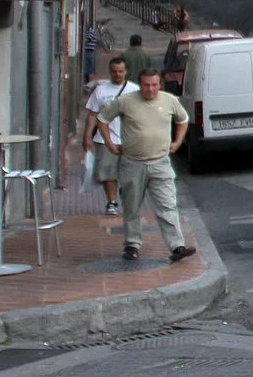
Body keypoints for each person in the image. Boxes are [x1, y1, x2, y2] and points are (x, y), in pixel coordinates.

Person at [104, 70, 195, 263]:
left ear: (160, 84)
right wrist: (110, 144)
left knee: (167, 204)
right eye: (146, 85)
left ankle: (177, 246)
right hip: (132, 163)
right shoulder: (125, 101)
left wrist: (178, 141)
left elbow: (183, 120)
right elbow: (103, 119)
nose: (151, 89)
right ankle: (132, 244)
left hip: (160, 162)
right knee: (132, 206)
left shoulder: (169, 100)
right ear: (140, 85)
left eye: (154, 85)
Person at [81, 55, 132, 215]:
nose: (117, 74)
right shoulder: (101, 90)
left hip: (130, 138)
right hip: (104, 139)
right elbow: (92, 114)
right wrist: (87, 136)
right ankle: (112, 201)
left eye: (120, 71)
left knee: (130, 171)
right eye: (114, 71)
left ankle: (126, 193)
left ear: (126, 71)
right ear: (110, 72)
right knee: (108, 172)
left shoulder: (134, 90)